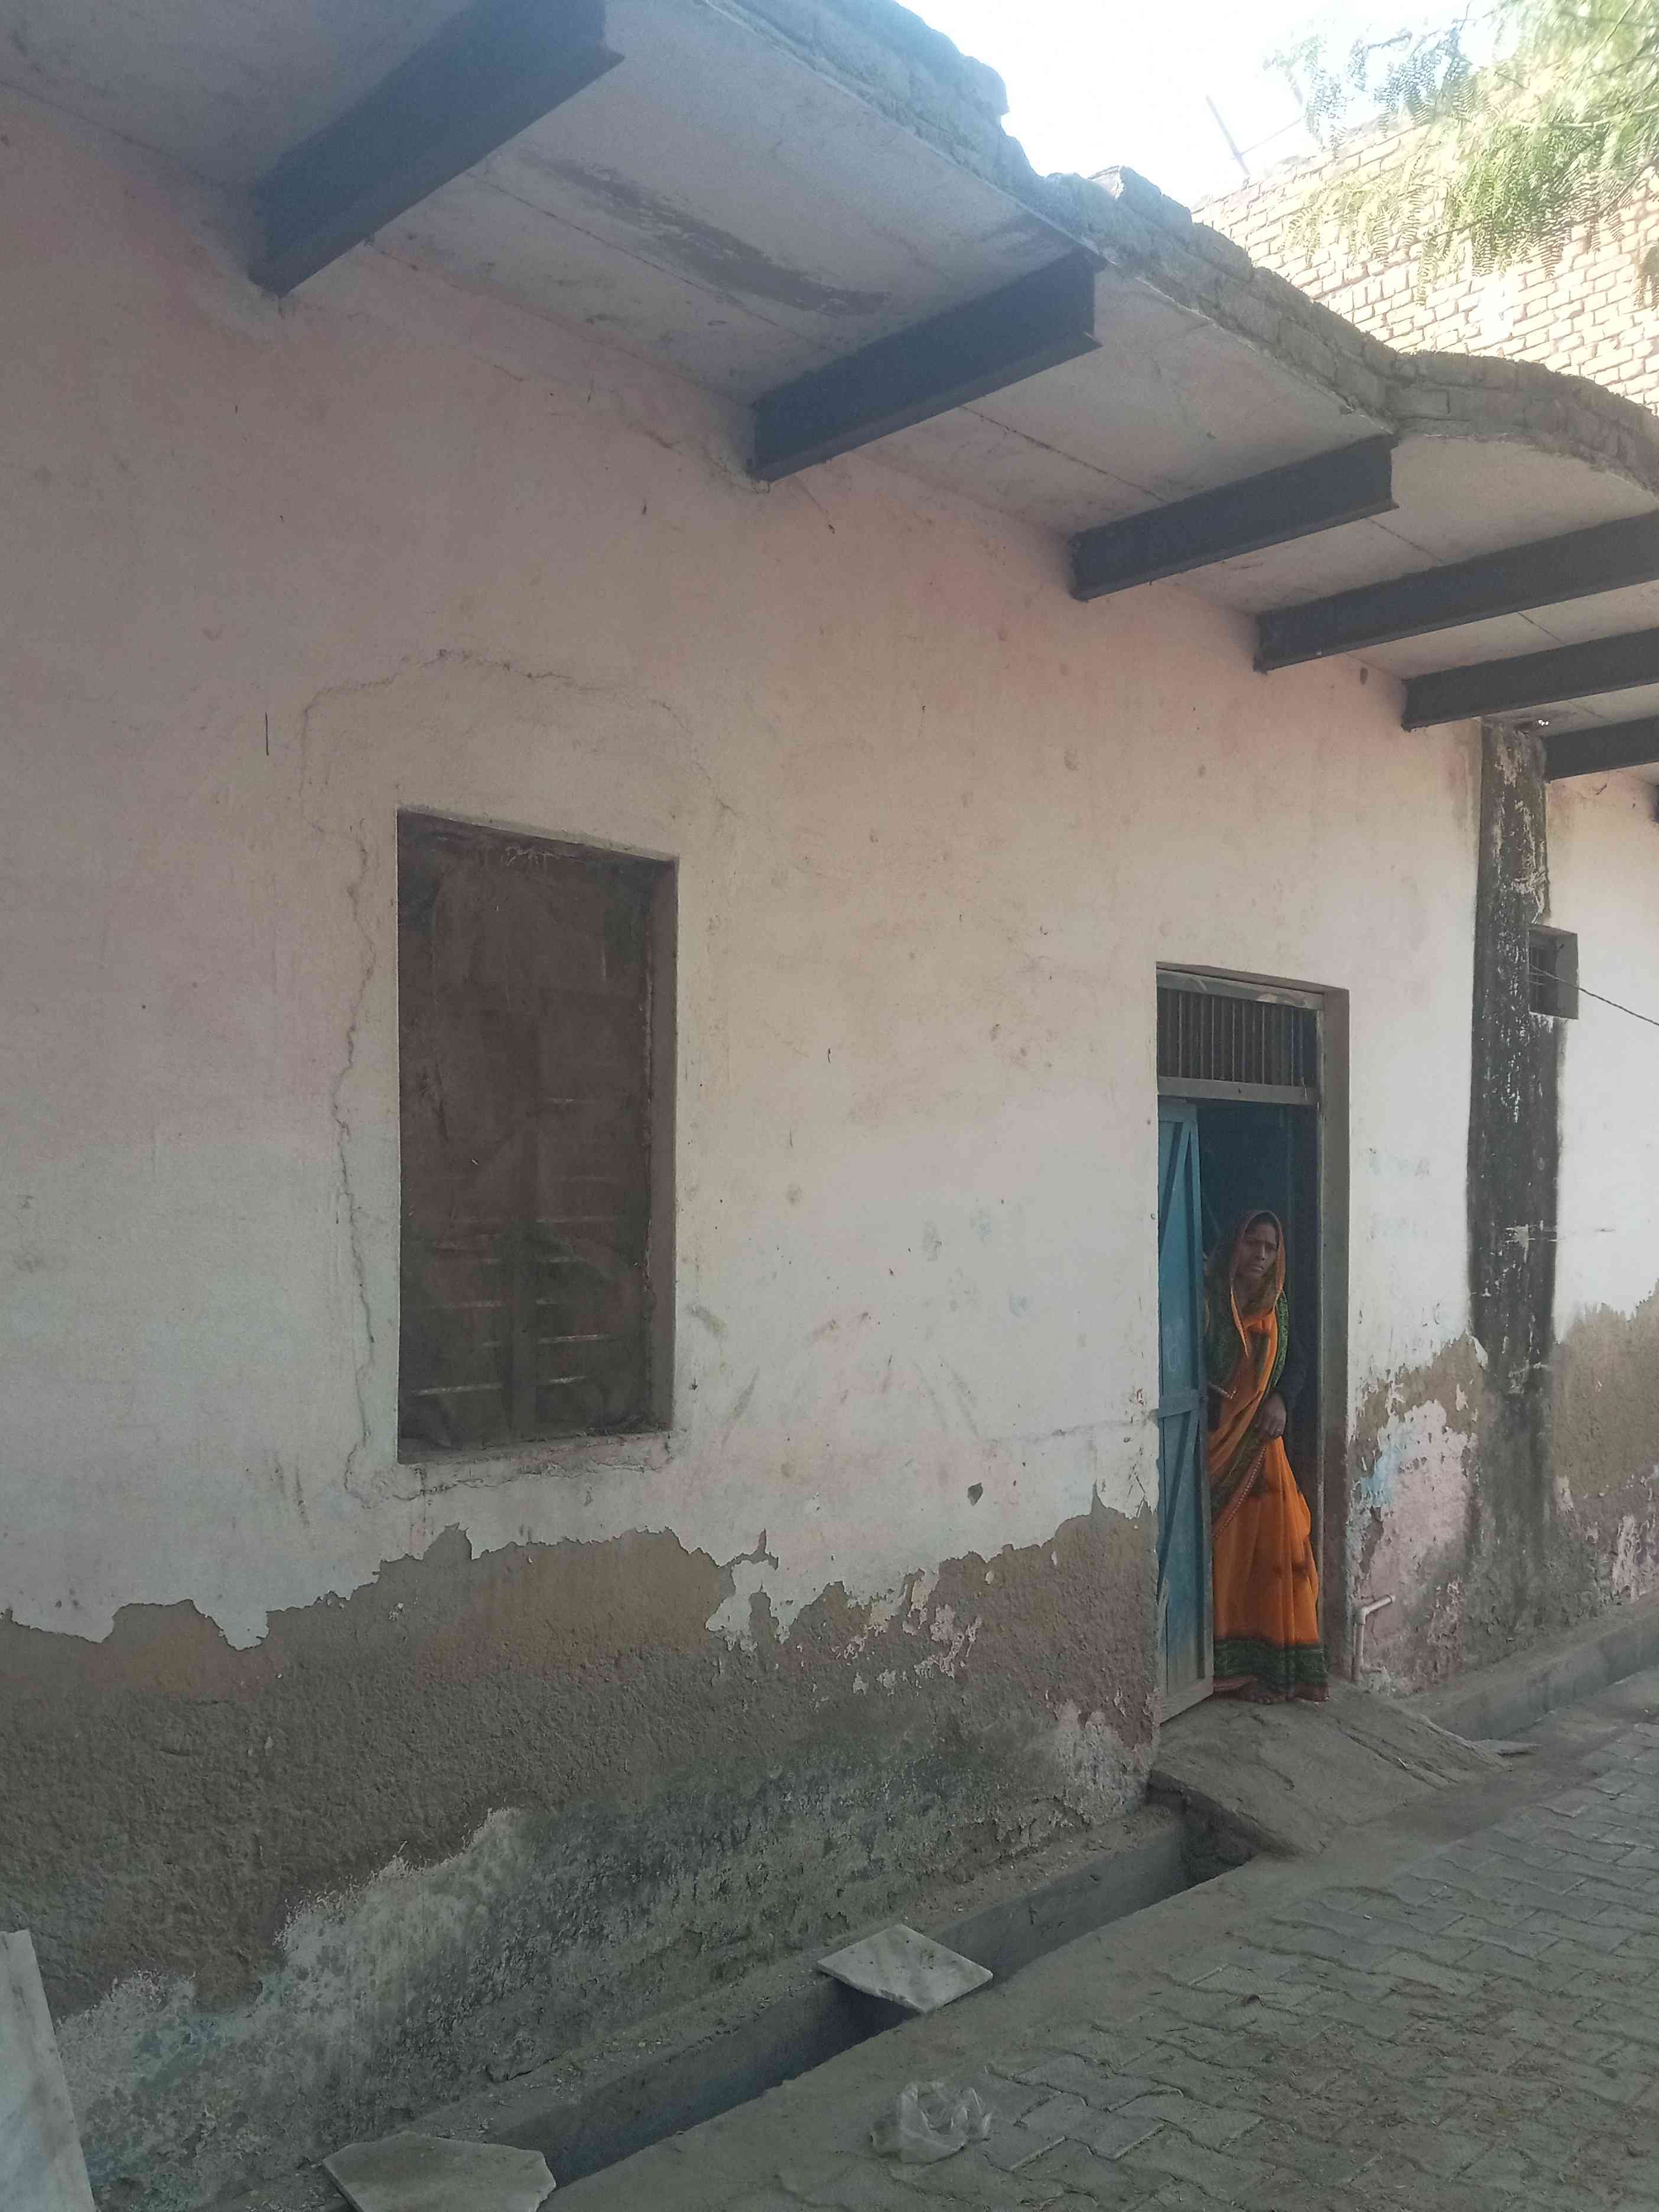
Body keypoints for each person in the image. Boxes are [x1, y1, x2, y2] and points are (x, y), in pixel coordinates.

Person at [1203, 1209, 1328, 1704]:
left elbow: (1298, 1362)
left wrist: (1281, 1400)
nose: (1259, 1254)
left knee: (1273, 1556)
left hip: (1259, 1446)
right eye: (1251, 1242)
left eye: (1269, 1247)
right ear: (1234, 1244)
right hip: (1210, 1447)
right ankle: (1215, 1667)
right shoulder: (1207, 1299)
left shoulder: (1278, 1307)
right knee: (1222, 1558)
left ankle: (1268, 1667)